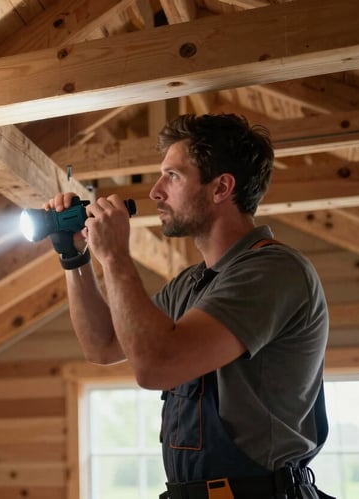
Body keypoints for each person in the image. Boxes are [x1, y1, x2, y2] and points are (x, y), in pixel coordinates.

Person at [45, 114, 334, 499]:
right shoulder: (191, 284)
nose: (155, 192)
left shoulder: (273, 271)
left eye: (173, 176)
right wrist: (74, 259)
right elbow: (103, 344)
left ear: (221, 188)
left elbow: (156, 366)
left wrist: (115, 257)